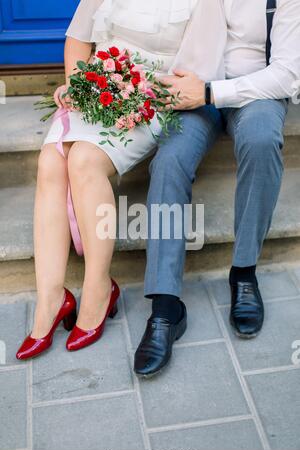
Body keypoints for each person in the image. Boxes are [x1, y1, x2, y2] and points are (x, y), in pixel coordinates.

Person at [16, 0, 226, 360]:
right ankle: (51, 299)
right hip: (99, 90)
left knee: (83, 159)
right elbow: (78, 40)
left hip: (154, 100)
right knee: (51, 160)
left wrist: (131, 95)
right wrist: (81, 88)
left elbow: (196, 75)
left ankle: (99, 288)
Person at [134, 0, 300, 377]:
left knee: (260, 142)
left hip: (254, 92)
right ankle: (166, 306)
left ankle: (243, 273)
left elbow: (289, 74)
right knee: (168, 162)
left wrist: (210, 93)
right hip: (190, 91)